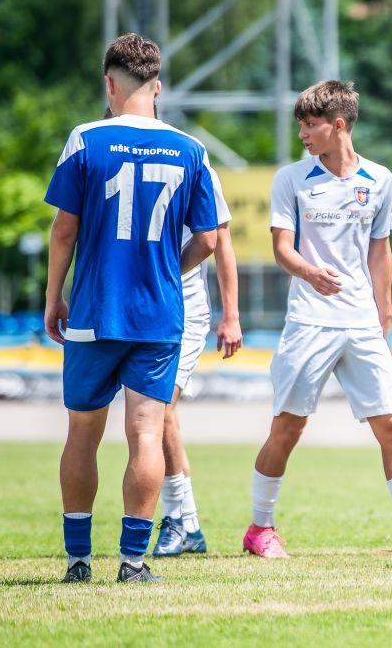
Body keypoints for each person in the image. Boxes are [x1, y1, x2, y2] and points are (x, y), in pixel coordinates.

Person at [241, 81, 392, 558]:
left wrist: (383, 310)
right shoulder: (291, 178)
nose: (303, 134)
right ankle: (259, 529)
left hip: (362, 323)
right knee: (288, 428)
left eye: (311, 125)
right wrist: (310, 272)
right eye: (301, 125)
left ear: (339, 124)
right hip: (309, 321)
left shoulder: (380, 179)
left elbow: (380, 250)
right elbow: (282, 249)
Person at [44, 33, 220, 583]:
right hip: (159, 315)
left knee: (82, 432)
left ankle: (78, 561)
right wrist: (167, 269)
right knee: (146, 432)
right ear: (157, 86)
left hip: (95, 310)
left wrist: (53, 297)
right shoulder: (190, 149)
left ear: (110, 84)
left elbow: (64, 229)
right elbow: (209, 239)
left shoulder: (86, 139)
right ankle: (133, 562)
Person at [151, 167, 242, 557]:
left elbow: (219, 241)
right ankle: (189, 526)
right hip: (140, 307)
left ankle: (176, 519)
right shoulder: (117, 152)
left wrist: (231, 314)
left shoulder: (192, 160)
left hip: (184, 310)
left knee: (158, 409)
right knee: (156, 417)